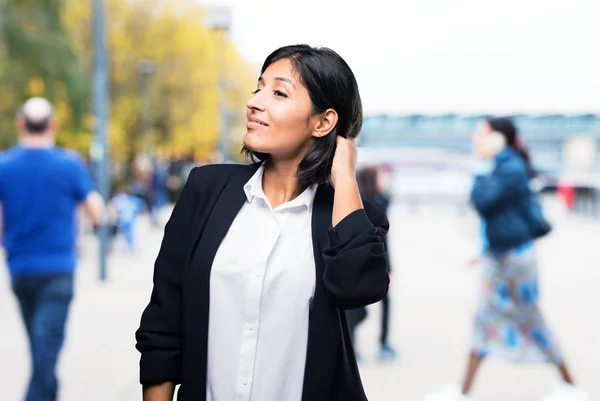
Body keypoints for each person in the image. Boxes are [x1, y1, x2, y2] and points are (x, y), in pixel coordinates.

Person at [135, 44, 390, 401]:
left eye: (279, 92)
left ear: (323, 122)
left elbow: (358, 288)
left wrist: (345, 177)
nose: (255, 101)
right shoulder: (205, 191)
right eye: (258, 88)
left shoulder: (349, 218)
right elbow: (164, 322)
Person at [423, 117, 587, 401]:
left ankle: (570, 384)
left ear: (499, 138)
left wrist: (479, 165)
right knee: (490, 319)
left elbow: (483, 201)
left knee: (528, 319)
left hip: (514, 261)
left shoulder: (509, 167)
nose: (476, 139)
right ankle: (464, 391)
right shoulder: (504, 165)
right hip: (503, 257)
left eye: (482, 134)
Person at [0, 97, 104, 401]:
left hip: (20, 269)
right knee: (45, 352)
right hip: (59, 269)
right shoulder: (69, 164)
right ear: (53, 126)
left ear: (21, 125)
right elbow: (96, 209)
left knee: (40, 348)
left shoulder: (4, 165)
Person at [347, 165, 397, 362]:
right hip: (372, 259)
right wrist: (389, 267)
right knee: (366, 306)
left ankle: (358, 347)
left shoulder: (358, 200)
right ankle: (381, 344)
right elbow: (384, 239)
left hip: (359, 261)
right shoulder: (375, 203)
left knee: (357, 305)